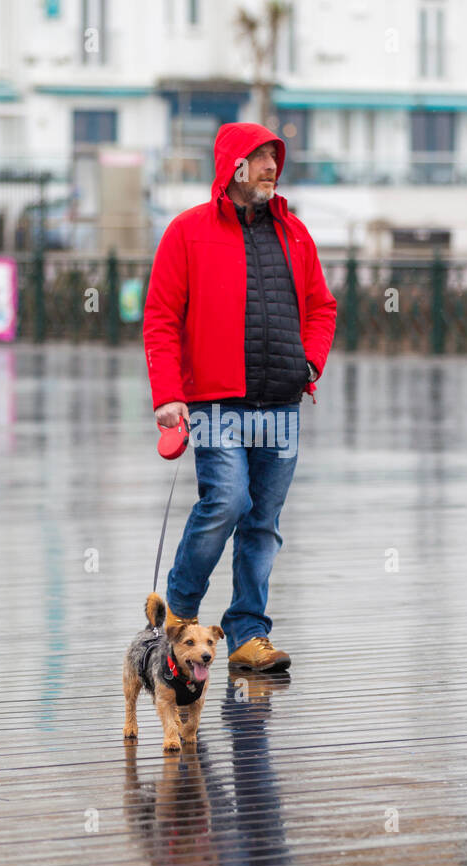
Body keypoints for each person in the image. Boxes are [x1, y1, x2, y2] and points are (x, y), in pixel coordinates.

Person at [142, 122, 337, 672]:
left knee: (263, 523)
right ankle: (180, 609)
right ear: (233, 168)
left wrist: (310, 362)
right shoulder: (186, 232)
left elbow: (323, 307)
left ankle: (248, 635)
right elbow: (160, 318)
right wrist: (168, 395)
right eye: (260, 159)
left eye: (275, 158)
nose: (272, 167)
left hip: (280, 402)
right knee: (226, 501)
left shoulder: (296, 234)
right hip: (214, 404)